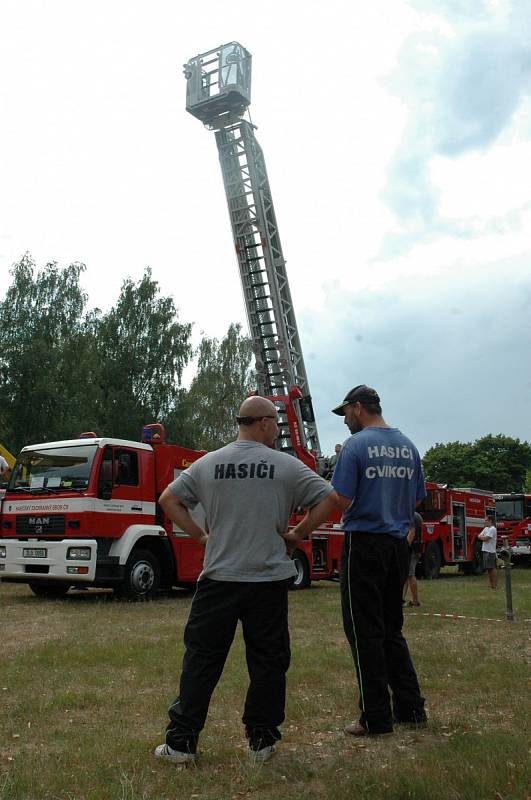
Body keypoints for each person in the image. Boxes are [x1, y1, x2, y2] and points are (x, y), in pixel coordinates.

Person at [154, 395, 340, 765]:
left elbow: (168, 500)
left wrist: (201, 537)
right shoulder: (285, 465)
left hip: (219, 578)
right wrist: (297, 533)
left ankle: (181, 744)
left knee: (202, 661)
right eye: (276, 424)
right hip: (268, 580)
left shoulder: (208, 464)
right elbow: (332, 499)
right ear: (266, 423)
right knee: (268, 662)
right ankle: (262, 743)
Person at [330, 384, 427, 736]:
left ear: (358, 408)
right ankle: (411, 708)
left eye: (346, 414)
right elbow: (417, 499)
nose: (345, 422)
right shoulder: (408, 446)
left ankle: (375, 717)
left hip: (364, 543)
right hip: (397, 545)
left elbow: (340, 498)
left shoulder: (355, 447)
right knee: (391, 628)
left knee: (363, 630)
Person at [403, 512, 423, 607]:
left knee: (410, 574)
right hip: (417, 548)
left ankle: (415, 601)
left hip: (411, 549)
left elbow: (412, 532)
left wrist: (405, 548)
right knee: (406, 575)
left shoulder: (410, 515)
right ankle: (401, 599)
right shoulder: (418, 516)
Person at [477, 514, 497, 589]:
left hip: (490, 551)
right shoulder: (486, 529)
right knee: (488, 569)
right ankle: (490, 584)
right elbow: (479, 536)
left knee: (492, 568)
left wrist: (482, 537)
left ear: (490, 521)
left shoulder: (492, 529)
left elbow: (486, 538)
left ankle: (494, 584)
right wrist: (483, 537)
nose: (484, 521)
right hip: (485, 550)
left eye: (486, 520)